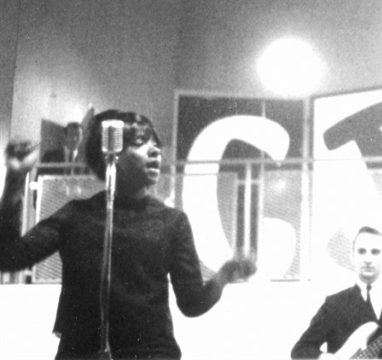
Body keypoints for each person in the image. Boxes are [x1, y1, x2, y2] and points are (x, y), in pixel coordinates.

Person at [0, 110, 256, 360]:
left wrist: (224, 274)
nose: (155, 150)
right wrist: (14, 180)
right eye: (141, 143)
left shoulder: (172, 222)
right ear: (111, 153)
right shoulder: (75, 216)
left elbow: (192, 303)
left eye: (156, 144)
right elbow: (8, 257)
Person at [291, 226, 382, 359]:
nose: (368, 259)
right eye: (361, 251)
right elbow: (300, 350)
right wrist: (326, 358)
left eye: (375, 252)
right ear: (352, 256)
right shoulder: (334, 305)